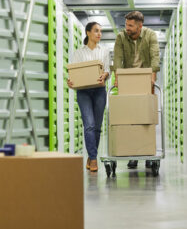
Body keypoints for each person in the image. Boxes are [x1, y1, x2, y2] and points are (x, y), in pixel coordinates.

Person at [113, 11, 160, 169]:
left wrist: (153, 76)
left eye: (131, 25)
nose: (127, 28)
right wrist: (118, 78)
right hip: (128, 79)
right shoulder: (121, 37)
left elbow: (154, 55)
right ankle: (133, 154)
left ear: (140, 26)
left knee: (146, 119)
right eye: (126, 24)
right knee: (129, 120)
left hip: (146, 78)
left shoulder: (150, 35)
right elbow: (118, 58)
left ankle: (147, 153)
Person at [68, 22, 110, 172]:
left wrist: (105, 75)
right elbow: (73, 73)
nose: (99, 34)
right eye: (96, 31)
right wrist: (70, 81)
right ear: (88, 33)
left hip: (99, 91)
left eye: (100, 31)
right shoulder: (78, 53)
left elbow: (106, 71)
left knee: (97, 128)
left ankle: (91, 155)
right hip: (83, 92)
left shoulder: (104, 51)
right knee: (89, 125)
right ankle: (93, 158)